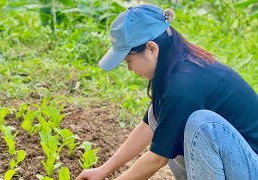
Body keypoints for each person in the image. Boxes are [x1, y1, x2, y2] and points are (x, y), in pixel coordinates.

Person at [76, 4, 258, 180]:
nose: (130, 69)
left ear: (151, 49)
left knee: (201, 124)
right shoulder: (172, 69)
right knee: (157, 115)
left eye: (128, 61)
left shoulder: (184, 84)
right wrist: (102, 171)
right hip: (238, 164)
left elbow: (157, 158)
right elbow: (149, 126)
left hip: (251, 166)